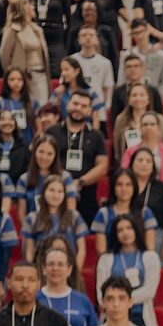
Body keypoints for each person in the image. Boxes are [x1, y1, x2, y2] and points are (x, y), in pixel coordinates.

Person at [46, 90, 109, 226]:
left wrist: (79, 182)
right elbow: (43, 161)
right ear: (68, 105)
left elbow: (102, 166)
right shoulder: (52, 131)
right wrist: (64, 183)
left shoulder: (96, 136)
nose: (78, 108)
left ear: (89, 111)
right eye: (75, 104)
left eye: (83, 106)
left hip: (86, 196)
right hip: (55, 193)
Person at [96, 214, 162, 326]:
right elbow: (101, 293)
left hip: (140, 317)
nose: (125, 233)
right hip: (112, 316)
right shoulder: (105, 259)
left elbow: (149, 291)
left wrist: (120, 299)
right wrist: (119, 302)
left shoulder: (151, 257)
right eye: (120, 230)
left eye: (129, 228)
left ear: (136, 230)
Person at [0, 0, 50, 104]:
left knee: (42, 105)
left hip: (40, 74)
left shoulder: (37, 30)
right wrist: (13, 74)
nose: (33, 7)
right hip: (24, 76)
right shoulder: (13, 30)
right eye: (29, 5)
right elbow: (4, 55)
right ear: (23, 9)